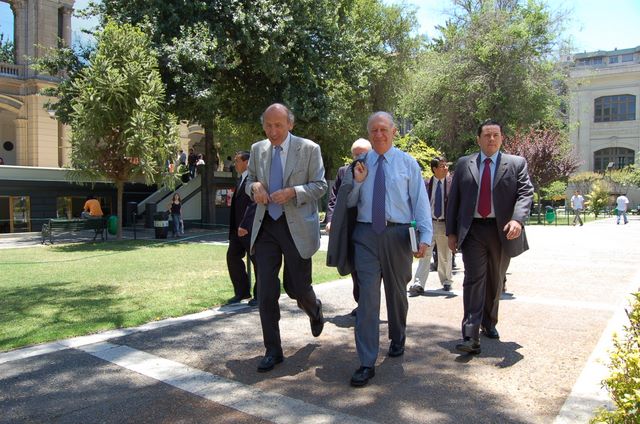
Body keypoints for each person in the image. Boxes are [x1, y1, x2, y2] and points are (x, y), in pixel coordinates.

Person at [345, 111, 432, 387]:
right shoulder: (359, 164)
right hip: (366, 235)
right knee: (367, 298)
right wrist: (358, 183)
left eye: (384, 129)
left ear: (394, 132)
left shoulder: (408, 163)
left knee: (397, 293)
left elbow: (420, 202)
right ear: (369, 134)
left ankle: (398, 335)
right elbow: (349, 203)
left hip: (398, 234)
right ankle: (366, 361)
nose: (379, 134)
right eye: (374, 130)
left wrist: (425, 236)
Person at [245, 103, 327, 373]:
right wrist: (255, 186)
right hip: (266, 227)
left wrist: (293, 192)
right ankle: (273, 350)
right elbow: (249, 181)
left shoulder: (309, 149)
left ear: (290, 124)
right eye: (268, 125)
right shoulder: (257, 150)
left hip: (296, 228)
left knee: (297, 288)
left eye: (278, 125)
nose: (273, 131)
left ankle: (314, 310)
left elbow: (320, 186)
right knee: (266, 291)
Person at [446, 119, 533, 355]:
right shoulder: (464, 164)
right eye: (486, 135)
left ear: (502, 138)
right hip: (473, 230)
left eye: (495, 135)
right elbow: (454, 199)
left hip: (501, 231)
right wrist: (451, 232)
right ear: (478, 139)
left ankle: (489, 321)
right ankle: (470, 335)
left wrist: (517, 219)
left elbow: (525, 193)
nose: (491, 139)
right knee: (473, 280)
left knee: (495, 280)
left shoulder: (516, 164)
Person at [325, 138, 372, 315]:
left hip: (371, 227)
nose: (359, 157)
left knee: (369, 268)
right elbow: (334, 198)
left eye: (363, 154)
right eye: (356, 154)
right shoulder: (343, 172)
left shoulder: (376, 171)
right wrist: (331, 220)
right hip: (350, 227)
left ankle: (368, 304)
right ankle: (361, 303)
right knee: (353, 266)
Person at [409, 156, 454, 295]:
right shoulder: (426, 184)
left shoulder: (452, 183)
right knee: (424, 253)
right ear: (434, 169)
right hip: (429, 223)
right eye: (442, 166)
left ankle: (446, 281)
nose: (445, 168)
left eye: (446, 165)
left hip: (445, 223)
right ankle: (418, 283)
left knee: (445, 254)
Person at [226, 151, 258, 306]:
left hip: (250, 229)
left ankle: (261, 295)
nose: (235, 164)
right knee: (232, 257)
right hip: (237, 231)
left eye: (237, 160)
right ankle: (242, 291)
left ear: (247, 162)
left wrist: (245, 224)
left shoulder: (254, 180)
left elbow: (254, 203)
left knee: (258, 262)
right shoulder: (240, 179)